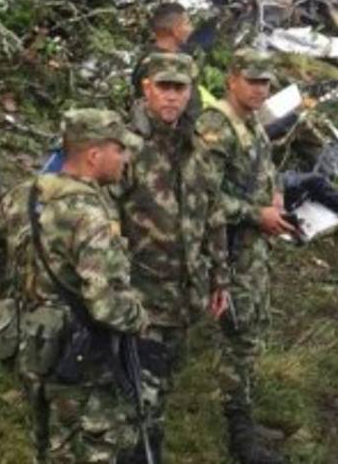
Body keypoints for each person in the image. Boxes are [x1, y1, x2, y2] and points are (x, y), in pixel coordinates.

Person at [0, 108, 150, 463]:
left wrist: (18, 293)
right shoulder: (91, 215)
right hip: (83, 353)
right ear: (95, 155)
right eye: (119, 150)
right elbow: (103, 303)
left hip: (31, 342)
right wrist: (139, 317)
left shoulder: (26, 194)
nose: (125, 159)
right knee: (94, 444)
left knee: (47, 439)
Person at [116, 52, 230, 459]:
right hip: (138, 296)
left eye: (179, 89)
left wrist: (220, 278)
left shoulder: (196, 147)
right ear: (147, 88)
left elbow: (212, 215)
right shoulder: (124, 147)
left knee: (161, 389)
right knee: (136, 401)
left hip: (183, 297)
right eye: (163, 87)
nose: (171, 97)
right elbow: (97, 221)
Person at [195, 50, 295, 464]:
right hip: (230, 250)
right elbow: (205, 197)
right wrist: (258, 214)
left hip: (254, 248)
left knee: (253, 329)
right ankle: (240, 435)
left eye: (265, 83)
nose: (259, 89)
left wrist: (275, 197)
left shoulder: (251, 122)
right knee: (237, 336)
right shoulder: (216, 125)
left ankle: (246, 417)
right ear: (232, 79)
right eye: (252, 81)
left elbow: (263, 171)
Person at [130, 2, 209, 116]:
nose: (191, 29)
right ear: (175, 30)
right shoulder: (152, 64)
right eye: (187, 23)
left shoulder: (180, 57)